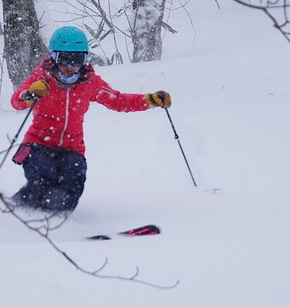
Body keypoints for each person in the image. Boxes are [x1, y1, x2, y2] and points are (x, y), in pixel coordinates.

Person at [9, 26, 171, 214]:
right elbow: (16, 101)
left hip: (72, 147)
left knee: (73, 181)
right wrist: (29, 94)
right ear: (53, 57)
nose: (70, 66)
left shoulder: (89, 83)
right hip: (38, 142)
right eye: (64, 59)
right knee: (42, 177)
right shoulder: (42, 80)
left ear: (85, 60)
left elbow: (118, 101)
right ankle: (20, 214)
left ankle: (60, 223)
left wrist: (149, 100)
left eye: (77, 59)